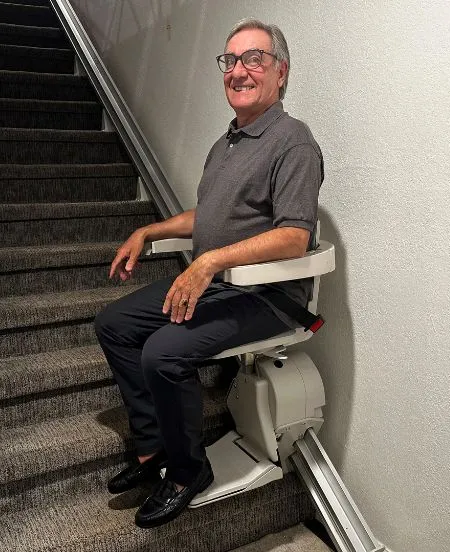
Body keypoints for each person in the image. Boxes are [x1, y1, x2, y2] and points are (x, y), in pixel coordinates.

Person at [94, 19, 323, 529]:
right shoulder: (227, 144)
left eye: (254, 59)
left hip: (269, 297)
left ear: (281, 72)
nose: (239, 70)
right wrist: (149, 230)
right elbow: (208, 217)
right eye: (230, 60)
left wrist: (210, 261)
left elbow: (294, 236)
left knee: (163, 352)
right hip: (221, 286)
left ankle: (187, 471)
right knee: (114, 324)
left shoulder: (293, 141)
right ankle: (154, 447)